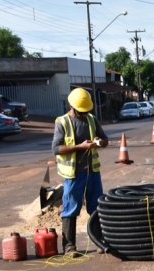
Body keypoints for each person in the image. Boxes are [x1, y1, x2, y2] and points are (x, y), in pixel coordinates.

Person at [51, 88, 109, 256]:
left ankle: (99, 241)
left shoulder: (92, 119)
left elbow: (105, 140)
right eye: (81, 111)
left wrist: (99, 142)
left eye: (86, 111)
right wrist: (79, 147)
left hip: (92, 172)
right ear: (72, 106)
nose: (84, 114)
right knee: (70, 208)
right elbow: (56, 148)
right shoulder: (62, 122)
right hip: (74, 174)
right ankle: (69, 246)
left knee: (96, 206)